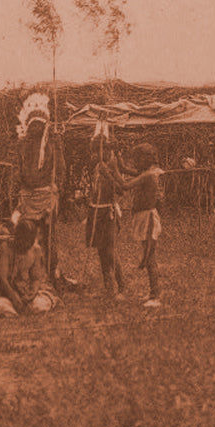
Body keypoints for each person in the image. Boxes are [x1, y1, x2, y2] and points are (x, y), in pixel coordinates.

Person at [15, 92, 67, 286]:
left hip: (46, 196)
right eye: (33, 125)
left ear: (44, 126)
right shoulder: (23, 145)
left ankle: (52, 274)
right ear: (29, 126)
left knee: (49, 237)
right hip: (28, 197)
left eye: (40, 125)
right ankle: (28, 273)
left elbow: (61, 169)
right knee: (28, 235)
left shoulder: (52, 143)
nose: (36, 128)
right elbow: (18, 172)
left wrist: (55, 187)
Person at [107, 142, 164, 308]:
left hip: (148, 218)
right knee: (148, 257)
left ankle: (156, 295)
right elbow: (124, 169)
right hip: (142, 217)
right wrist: (117, 157)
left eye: (137, 160)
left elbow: (124, 185)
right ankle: (153, 292)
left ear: (145, 160)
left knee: (149, 258)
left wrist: (111, 171)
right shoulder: (145, 172)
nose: (135, 163)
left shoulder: (148, 175)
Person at [85, 127, 127, 300]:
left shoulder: (111, 165)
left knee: (110, 250)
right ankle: (109, 287)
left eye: (103, 150)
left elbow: (122, 189)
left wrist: (108, 175)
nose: (99, 154)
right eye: (96, 151)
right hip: (94, 211)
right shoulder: (93, 166)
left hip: (107, 212)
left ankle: (120, 286)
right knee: (101, 251)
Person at [0, 217, 59, 316]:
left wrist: (31, 294)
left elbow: (36, 278)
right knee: (4, 308)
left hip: (25, 293)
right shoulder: (5, 248)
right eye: (24, 240)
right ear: (17, 237)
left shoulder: (35, 250)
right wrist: (14, 297)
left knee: (39, 306)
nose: (27, 245)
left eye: (30, 241)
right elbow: (2, 279)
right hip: (5, 294)